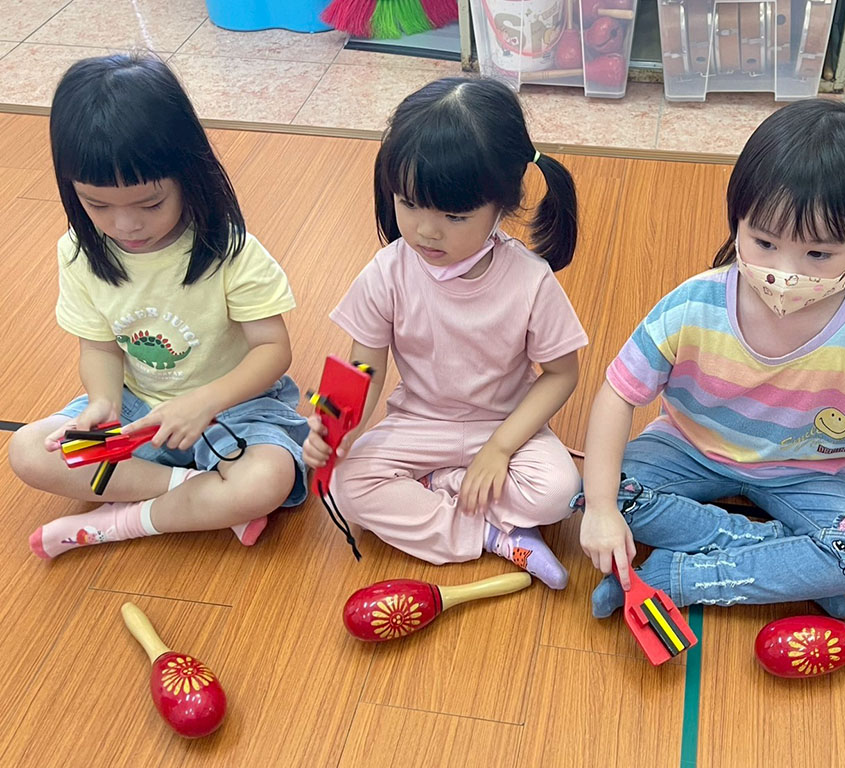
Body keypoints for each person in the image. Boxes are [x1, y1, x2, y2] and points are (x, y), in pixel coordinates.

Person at [578, 99, 845, 662]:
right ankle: (786, 559)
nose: (785, 272)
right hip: (690, 448)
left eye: (819, 253)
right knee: (591, 492)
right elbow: (617, 395)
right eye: (765, 243)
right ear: (737, 218)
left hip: (810, 475)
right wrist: (602, 509)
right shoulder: (694, 304)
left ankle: (680, 577)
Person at [9, 53, 309, 558]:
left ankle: (120, 522)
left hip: (233, 409)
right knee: (27, 452)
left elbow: (272, 350)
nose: (125, 225)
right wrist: (103, 403)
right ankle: (193, 494)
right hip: (137, 412)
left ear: (189, 175)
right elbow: (99, 348)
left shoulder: (228, 248)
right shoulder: (79, 252)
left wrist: (205, 402)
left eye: (149, 204)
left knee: (267, 478)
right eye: (97, 204)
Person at [303, 77, 587, 589]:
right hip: (419, 424)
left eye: (454, 216)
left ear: (502, 204)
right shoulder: (387, 272)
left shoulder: (530, 280)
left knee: (561, 493)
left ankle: (440, 485)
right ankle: (493, 535)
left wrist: (500, 448)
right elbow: (364, 368)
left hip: (503, 424)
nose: (426, 230)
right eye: (409, 204)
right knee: (347, 486)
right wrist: (335, 429)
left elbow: (561, 374)